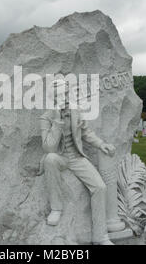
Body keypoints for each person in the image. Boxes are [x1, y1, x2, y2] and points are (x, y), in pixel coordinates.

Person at [37, 79, 122, 245]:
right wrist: (57, 121)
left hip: (77, 158)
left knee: (100, 187)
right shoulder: (46, 117)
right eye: (61, 95)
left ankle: (101, 236)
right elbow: (49, 147)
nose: (65, 98)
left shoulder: (75, 111)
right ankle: (56, 208)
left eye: (66, 94)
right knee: (49, 159)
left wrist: (101, 144)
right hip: (59, 157)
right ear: (54, 98)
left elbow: (86, 133)